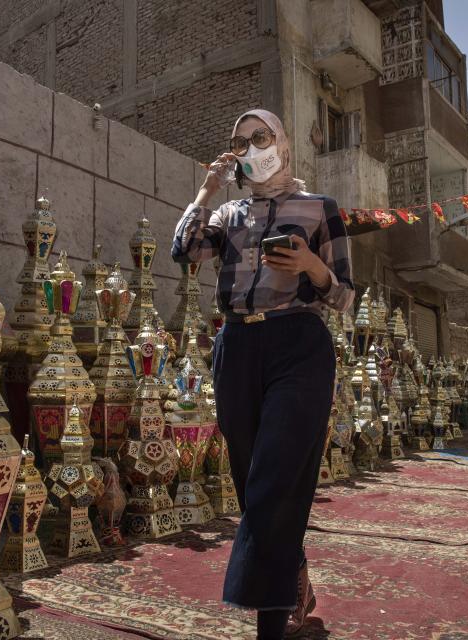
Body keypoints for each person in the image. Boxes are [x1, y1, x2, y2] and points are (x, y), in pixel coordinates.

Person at [171, 109, 354, 639]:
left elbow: (344, 295)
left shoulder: (319, 208)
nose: (252, 146)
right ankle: (291, 567)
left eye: (260, 136)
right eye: (241, 140)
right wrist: (207, 190)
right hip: (237, 345)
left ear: (283, 144)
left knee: (276, 474)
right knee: (252, 479)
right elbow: (185, 251)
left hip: (298, 343)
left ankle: (269, 625)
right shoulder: (229, 214)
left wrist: (311, 268)